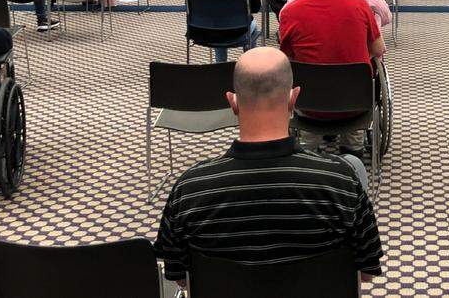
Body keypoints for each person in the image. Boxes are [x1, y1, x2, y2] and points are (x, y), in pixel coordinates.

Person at [153, 47, 383, 289]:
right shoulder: (341, 181)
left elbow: (180, 278)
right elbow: (365, 273)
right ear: (293, 99)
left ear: (233, 102)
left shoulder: (189, 190)